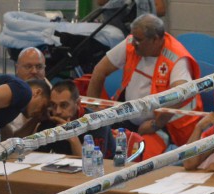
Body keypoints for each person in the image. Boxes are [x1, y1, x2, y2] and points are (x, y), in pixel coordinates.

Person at [86, 14, 201, 158]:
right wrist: (92, 113)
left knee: (138, 158)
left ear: (156, 40)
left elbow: (182, 94)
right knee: (98, 145)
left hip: (163, 127)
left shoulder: (177, 58)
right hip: (127, 117)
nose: (133, 43)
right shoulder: (131, 43)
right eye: (133, 38)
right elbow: (99, 71)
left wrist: (156, 124)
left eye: (138, 40)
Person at [2, 47, 49, 140]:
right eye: (28, 66)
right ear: (17, 68)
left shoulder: (54, 95)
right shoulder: (5, 93)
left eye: (39, 67)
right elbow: (9, 140)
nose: (34, 71)